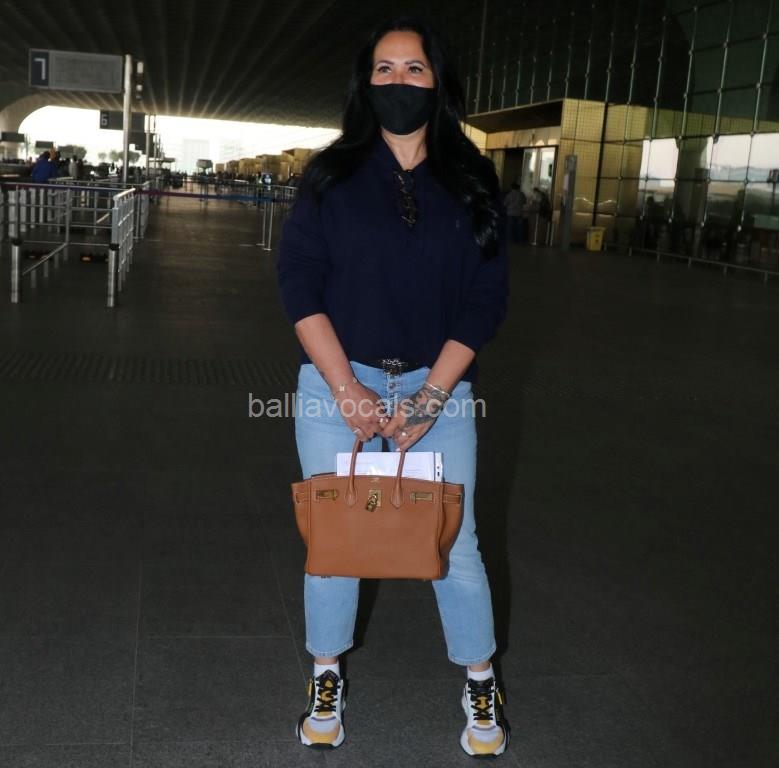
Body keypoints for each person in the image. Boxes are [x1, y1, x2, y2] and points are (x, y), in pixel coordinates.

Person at [277, 17, 509, 758]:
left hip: (439, 390)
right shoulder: (330, 175)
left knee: (456, 544)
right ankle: (325, 676)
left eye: (414, 68)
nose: (399, 81)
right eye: (385, 68)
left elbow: (486, 298)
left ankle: (480, 681)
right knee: (334, 541)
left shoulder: (470, 177)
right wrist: (346, 387)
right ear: (365, 82)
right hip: (334, 386)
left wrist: (432, 395)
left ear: (437, 82)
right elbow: (298, 282)